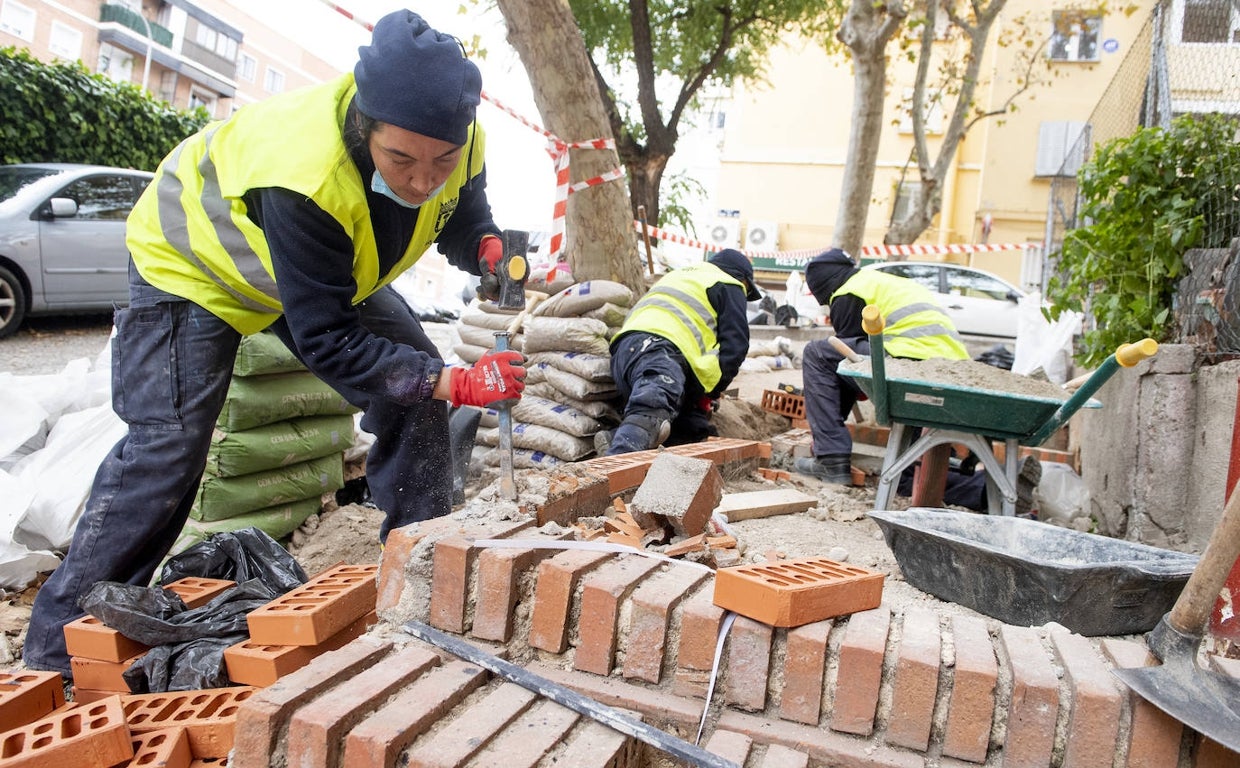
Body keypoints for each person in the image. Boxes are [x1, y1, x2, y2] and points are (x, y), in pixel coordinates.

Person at [23, 10, 527, 677]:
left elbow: (461, 215)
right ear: (363, 125)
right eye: (401, 158)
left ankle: (419, 578)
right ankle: (56, 653)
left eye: (442, 159)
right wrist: (457, 381)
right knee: (168, 450)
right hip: (193, 265)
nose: (421, 179)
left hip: (313, 275)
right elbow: (329, 341)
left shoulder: (461, 141)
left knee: (413, 395)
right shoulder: (303, 174)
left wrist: (486, 248)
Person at [795, 248, 1040, 513]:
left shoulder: (848, 292)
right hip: (951, 375)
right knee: (905, 473)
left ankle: (831, 460)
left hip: (908, 365)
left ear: (823, 286)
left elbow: (845, 365)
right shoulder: (884, 281)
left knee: (817, 353)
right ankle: (988, 489)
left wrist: (825, 434)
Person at [599, 249, 760, 455]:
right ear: (741, 278)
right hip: (660, 351)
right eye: (747, 290)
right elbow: (735, 346)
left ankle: (616, 436)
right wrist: (712, 391)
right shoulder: (728, 282)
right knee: (650, 411)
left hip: (625, 352)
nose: (744, 295)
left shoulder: (678, 276)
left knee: (688, 426)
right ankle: (612, 465)